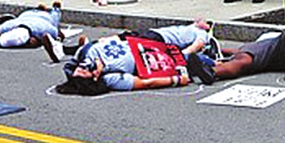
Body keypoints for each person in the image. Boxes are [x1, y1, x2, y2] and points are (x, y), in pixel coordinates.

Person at [58, 24, 216, 94]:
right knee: (194, 58)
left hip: (144, 39)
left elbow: (105, 40)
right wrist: (175, 80)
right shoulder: (110, 78)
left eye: (80, 68)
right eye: (84, 71)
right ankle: (208, 57)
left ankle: (204, 46)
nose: (83, 67)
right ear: (94, 77)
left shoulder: (86, 54)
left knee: (195, 32)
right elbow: (145, 83)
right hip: (154, 59)